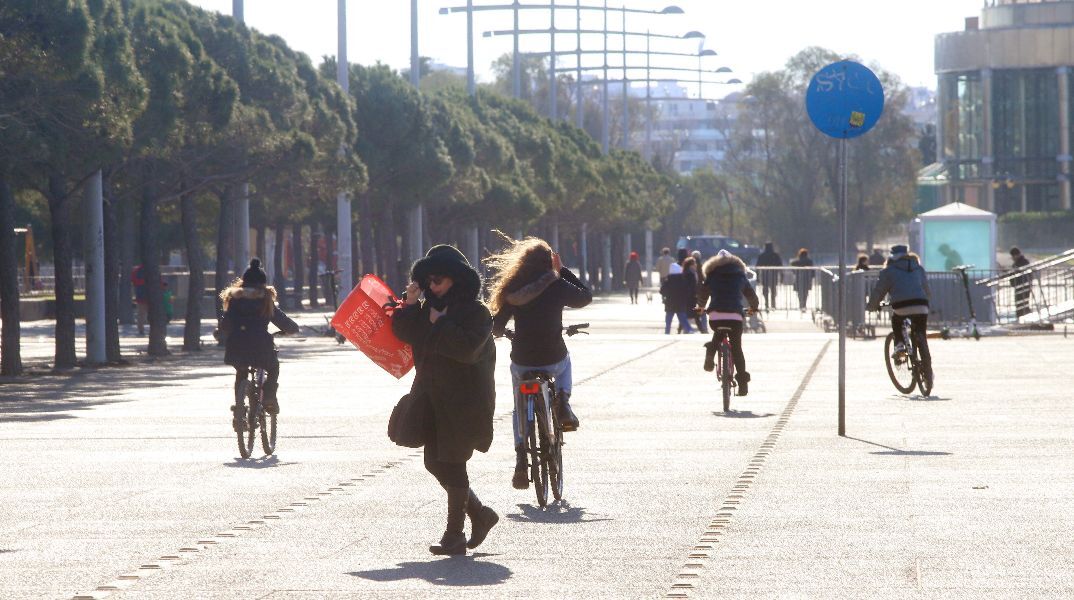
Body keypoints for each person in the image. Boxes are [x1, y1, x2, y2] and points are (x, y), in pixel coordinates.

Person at [392, 244, 498, 556]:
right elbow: (406, 332)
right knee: (434, 461)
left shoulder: (476, 313)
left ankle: (455, 535)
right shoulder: (429, 309)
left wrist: (441, 323)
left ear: (456, 279)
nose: (432, 286)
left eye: (438, 279)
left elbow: (466, 350)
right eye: (428, 281)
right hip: (432, 397)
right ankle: (479, 514)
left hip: (465, 401)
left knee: (453, 461)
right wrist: (411, 305)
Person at [486, 234, 592, 489]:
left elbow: (497, 326)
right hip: (552, 356)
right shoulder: (556, 285)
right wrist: (562, 270)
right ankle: (564, 402)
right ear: (550, 263)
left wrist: (502, 331)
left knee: (518, 406)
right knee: (566, 363)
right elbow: (585, 297)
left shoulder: (514, 290)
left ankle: (521, 456)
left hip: (522, 359)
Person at [219, 259, 300, 427]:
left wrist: (222, 333)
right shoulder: (265, 300)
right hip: (260, 345)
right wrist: (292, 328)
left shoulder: (234, 299)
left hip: (237, 345)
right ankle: (269, 396)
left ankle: (239, 412)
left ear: (244, 281)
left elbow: (225, 324)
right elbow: (281, 320)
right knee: (273, 366)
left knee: (241, 372)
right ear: (263, 283)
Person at [698, 250, 760, 396]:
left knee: (718, 332)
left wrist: (701, 307)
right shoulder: (740, 275)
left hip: (715, 315)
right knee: (737, 349)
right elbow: (751, 296)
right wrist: (753, 309)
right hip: (735, 316)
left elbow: (703, 295)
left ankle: (710, 352)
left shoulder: (711, 275)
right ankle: (743, 385)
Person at [866, 245, 932, 379]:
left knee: (897, 320)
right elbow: (927, 290)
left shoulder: (889, 271)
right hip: (921, 304)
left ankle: (899, 345)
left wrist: (872, 306)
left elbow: (879, 291)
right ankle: (928, 372)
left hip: (902, 305)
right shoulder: (918, 268)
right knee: (921, 334)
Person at [660, 262, 694, 334]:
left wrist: (667, 295)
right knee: (683, 318)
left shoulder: (668, 280)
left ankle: (667, 332)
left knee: (668, 320)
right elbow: (687, 290)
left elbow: (662, 291)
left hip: (670, 303)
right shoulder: (682, 280)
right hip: (680, 303)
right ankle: (689, 330)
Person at [754, 242, 783, 311]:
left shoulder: (762, 256)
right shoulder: (776, 255)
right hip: (773, 275)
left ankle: (767, 303)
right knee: (773, 290)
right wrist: (782, 276)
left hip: (765, 276)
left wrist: (757, 276)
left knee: (765, 290)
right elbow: (780, 266)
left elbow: (757, 266)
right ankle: (773, 303)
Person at [683, 256, 708, 334]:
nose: (695, 265)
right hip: (692, 297)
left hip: (690, 297)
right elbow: (691, 286)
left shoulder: (689, 272)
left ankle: (683, 329)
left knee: (687, 314)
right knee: (696, 314)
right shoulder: (690, 274)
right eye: (694, 264)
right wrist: (695, 294)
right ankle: (702, 330)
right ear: (691, 265)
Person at [790, 248, 815, 312]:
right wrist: (812, 276)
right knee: (805, 293)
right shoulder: (809, 261)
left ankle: (801, 304)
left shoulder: (796, 262)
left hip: (798, 279)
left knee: (799, 293)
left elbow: (792, 265)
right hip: (807, 279)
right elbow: (812, 271)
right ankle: (804, 305)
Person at [1010, 247, 1032, 318]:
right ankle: (1021, 316)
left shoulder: (1023, 262)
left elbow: (1026, 274)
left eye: (1013, 256)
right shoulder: (1018, 263)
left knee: (1022, 303)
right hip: (1019, 285)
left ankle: (1024, 317)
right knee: (1020, 303)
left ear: (1016, 255)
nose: (1012, 258)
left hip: (1023, 285)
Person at [131, 265, 148, 335]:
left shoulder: (136, 271)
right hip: (150, 295)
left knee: (141, 314)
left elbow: (133, 281)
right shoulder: (152, 269)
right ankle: (142, 329)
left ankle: (141, 329)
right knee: (149, 313)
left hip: (140, 295)